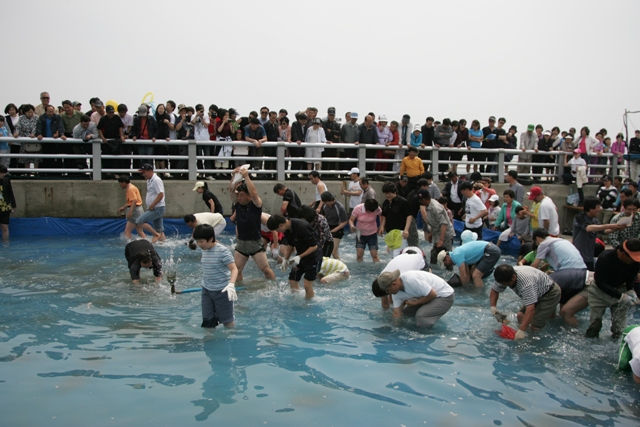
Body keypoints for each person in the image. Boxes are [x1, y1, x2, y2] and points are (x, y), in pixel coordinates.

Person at [586, 239, 640, 339]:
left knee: (619, 329)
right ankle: (589, 344)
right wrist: (621, 296)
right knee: (595, 325)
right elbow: (600, 282)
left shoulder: (635, 262)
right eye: (633, 258)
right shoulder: (605, 257)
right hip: (599, 292)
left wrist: (630, 290)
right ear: (623, 254)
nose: (635, 261)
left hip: (621, 289)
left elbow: (630, 278)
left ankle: (617, 347)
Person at [491, 265, 562, 339]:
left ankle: (535, 341)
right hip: (537, 290)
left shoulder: (526, 284)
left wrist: (521, 330)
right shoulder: (502, 275)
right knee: (520, 316)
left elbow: (530, 309)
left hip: (549, 294)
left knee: (535, 325)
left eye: (507, 284)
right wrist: (493, 307)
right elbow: (494, 290)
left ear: (513, 277)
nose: (505, 286)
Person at [193, 224, 238, 328]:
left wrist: (231, 284)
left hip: (222, 290)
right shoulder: (204, 249)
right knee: (208, 320)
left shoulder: (222, 251)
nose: (199, 244)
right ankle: (209, 341)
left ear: (211, 239)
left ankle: (232, 339)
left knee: (227, 321)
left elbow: (234, 269)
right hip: (207, 290)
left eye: (201, 241)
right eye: (197, 241)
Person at [267, 214, 322, 299]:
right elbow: (291, 244)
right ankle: (296, 299)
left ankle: (308, 306)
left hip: (313, 257)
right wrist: (286, 259)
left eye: (277, 230)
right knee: (292, 279)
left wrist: (299, 256)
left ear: (281, 225)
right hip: (301, 255)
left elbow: (314, 246)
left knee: (307, 285)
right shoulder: (287, 229)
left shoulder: (302, 227)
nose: (278, 232)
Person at [376, 270, 454, 329]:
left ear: (394, 284)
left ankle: (425, 335)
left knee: (421, 316)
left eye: (387, 290)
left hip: (444, 295)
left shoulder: (411, 280)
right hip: (427, 294)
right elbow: (397, 313)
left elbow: (433, 294)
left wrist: (416, 303)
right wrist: (395, 328)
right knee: (406, 313)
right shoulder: (396, 292)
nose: (387, 293)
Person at [573, 197, 625, 270]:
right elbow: (588, 228)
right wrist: (609, 225)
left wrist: (616, 228)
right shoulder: (579, 217)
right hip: (578, 255)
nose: (599, 209)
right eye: (598, 207)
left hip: (589, 256)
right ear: (590, 208)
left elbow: (604, 231)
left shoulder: (595, 219)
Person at [437, 240, 501, 288]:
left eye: (445, 264)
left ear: (447, 257)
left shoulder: (456, 255)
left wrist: (464, 290)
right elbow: (467, 274)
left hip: (491, 251)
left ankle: (480, 297)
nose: (447, 265)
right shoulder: (457, 254)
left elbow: (463, 275)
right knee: (472, 273)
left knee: (476, 276)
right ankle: (479, 288)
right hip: (488, 250)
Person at [417, 188, 454, 264]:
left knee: (446, 257)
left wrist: (441, 240)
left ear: (424, 199)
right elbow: (434, 223)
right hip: (436, 232)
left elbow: (444, 224)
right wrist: (431, 234)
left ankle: (450, 272)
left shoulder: (436, 208)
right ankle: (433, 271)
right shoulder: (428, 205)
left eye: (420, 200)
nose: (420, 202)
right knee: (434, 254)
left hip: (445, 235)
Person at [380, 181, 412, 257]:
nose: (387, 195)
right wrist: (382, 227)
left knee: (397, 254)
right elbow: (384, 216)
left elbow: (409, 215)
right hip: (390, 232)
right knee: (391, 254)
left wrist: (406, 229)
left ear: (394, 192)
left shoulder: (402, 202)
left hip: (400, 231)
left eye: (389, 193)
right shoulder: (386, 203)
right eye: (385, 193)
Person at [135, 164, 165, 242]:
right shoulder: (149, 180)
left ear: (150, 171)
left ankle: (155, 234)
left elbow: (161, 194)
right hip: (155, 207)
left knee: (139, 221)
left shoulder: (156, 180)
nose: (143, 174)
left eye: (144, 172)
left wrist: (152, 205)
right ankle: (163, 244)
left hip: (156, 208)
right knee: (159, 229)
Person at [117, 175, 147, 240]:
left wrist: (130, 211)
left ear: (124, 182)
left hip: (135, 211)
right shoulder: (132, 187)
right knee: (139, 230)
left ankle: (128, 244)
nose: (120, 185)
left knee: (127, 231)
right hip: (138, 209)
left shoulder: (130, 189)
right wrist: (124, 207)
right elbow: (131, 201)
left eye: (120, 183)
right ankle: (147, 242)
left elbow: (134, 200)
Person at [320, 192, 348, 259]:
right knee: (323, 251)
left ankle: (339, 267)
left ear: (331, 200)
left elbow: (344, 222)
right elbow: (323, 217)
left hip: (337, 229)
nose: (325, 203)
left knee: (333, 252)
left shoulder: (340, 207)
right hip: (328, 227)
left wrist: (333, 231)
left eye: (326, 202)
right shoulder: (324, 206)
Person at [0, 165, 16, 240]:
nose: (3, 175)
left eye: (4, 173)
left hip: (5, 206)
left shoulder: (6, 180)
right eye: (1, 173)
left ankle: (5, 244)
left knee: (5, 227)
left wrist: (13, 205)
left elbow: (10, 193)